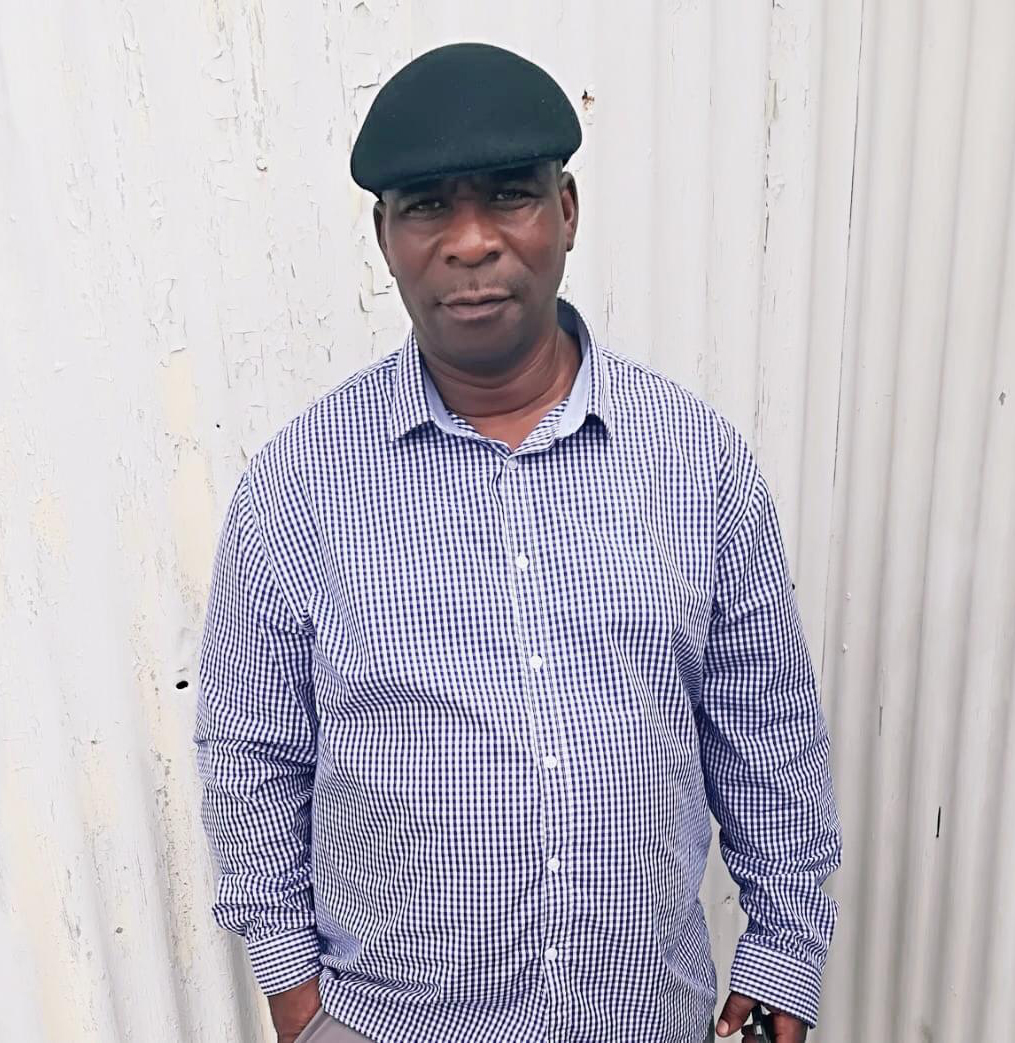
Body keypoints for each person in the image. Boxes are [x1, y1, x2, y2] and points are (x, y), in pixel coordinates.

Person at [195, 41, 841, 1043]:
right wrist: (297, 999)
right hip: (389, 1025)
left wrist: (781, 964)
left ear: (566, 211)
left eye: (508, 196)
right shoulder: (299, 485)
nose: (470, 242)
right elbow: (250, 753)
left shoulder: (695, 460)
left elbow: (769, 733)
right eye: (426, 207)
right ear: (383, 236)